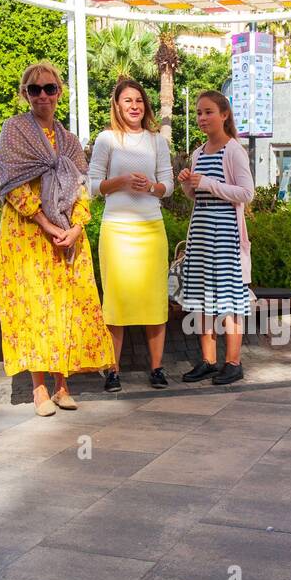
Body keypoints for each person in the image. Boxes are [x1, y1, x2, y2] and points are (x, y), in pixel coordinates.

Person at [0, 60, 115, 415]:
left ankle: (64, 385)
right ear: (25, 94)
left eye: (49, 89)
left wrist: (76, 228)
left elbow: (81, 188)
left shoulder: (69, 140)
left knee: (68, 306)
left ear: (59, 93)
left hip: (68, 234)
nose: (42, 96)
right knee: (35, 307)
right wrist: (48, 225)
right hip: (28, 234)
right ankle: (39, 390)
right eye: (34, 89)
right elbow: (12, 187)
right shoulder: (14, 132)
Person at [87, 78, 175, 393]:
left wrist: (150, 187)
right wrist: (121, 181)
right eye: (127, 100)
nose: (134, 106)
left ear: (145, 105)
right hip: (117, 231)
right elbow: (92, 186)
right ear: (117, 105)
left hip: (151, 229)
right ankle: (112, 370)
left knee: (154, 302)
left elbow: (169, 185)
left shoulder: (156, 141)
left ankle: (157, 369)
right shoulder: (106, 139)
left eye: (138, 100)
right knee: (116, 302)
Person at [177, 90, 255, 386]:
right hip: (200, 232)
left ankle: (233, 362)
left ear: (224, 115)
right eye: (198, 112)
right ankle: (208, 361)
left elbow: (246, 193)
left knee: (229, 298)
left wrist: (208, 182)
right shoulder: (198, 153)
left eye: (208, 111)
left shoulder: (234, 150)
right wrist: (189, 184)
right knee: (201, 297)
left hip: (226, 236)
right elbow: (196, 196)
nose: (201, 118)